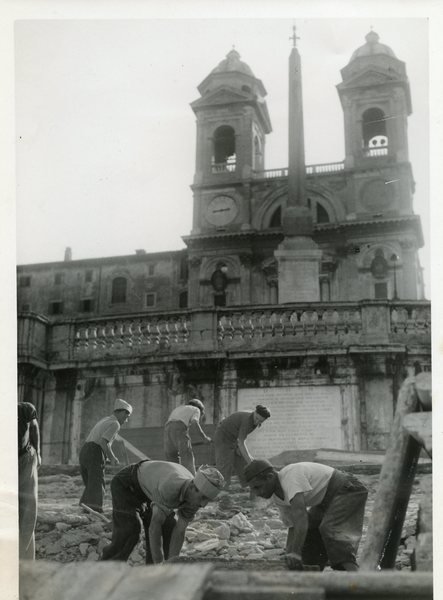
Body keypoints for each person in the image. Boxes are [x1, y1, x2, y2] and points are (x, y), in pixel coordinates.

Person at [244, 459, 368, 572]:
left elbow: (301, 516)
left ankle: (361, 581)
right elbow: (293, 526)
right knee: (309, 530)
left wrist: (296, 553)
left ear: (270, 477)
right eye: (253, 489)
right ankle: (311, 574)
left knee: (330, 529)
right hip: (325, 499)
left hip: (348, 488)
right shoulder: (278, 497)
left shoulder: (290, 476)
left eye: (257, 487)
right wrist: (290, 554)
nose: (257, 493)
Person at [101, 461, 224, 563]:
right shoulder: (170, 487)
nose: (203, 505)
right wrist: (159, 564)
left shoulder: (194, 499)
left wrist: (172, 563)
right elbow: (154, 527)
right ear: (192, 487)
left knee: (168, 529)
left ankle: (153, 578)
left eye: (207, 500)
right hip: (128, 483)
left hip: (153, 490)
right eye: (203, 498)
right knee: (130, 530)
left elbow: (180, 530)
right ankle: (106, 568)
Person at [79, 398, 132, 513]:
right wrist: (112, 458)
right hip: (94, 451)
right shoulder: (115, 423)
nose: (126, 420)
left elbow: (99, 441)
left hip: (84, 451)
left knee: (91, 484)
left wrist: (107, 457)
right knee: (97, 484)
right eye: (126, 416)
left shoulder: (105, 420)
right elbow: (103, 443)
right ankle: (95, 511)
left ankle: (85, 508)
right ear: (121, 412)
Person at [214, 405, 270, 487]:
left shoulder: (254, 420)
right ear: (255, 412)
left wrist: (250, 460)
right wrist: (251, 463)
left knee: (243, 463)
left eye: (260, 421)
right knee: (225, 467)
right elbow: (241, 442)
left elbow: (241, 439)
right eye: (256, 418)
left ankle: (247, 487)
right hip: (223, 438)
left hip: (234, 439)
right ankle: (222, 493)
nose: (257, 422)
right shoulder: (247, 420)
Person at [18, 401, 41, 560]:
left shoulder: (24, 408)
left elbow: (34, 427)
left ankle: (25, 564)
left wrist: (38, 452)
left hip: (25, 457)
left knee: (28, 511)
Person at [164, 399, 211, 475]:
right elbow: (194, 423)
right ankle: (191, 480)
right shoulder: (196, 409)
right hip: (179, 428)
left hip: (167, 429)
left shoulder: (179, 408)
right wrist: (204, 438)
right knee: (187, 456)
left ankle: (174, 477)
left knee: (172, 457)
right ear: (200, 408)